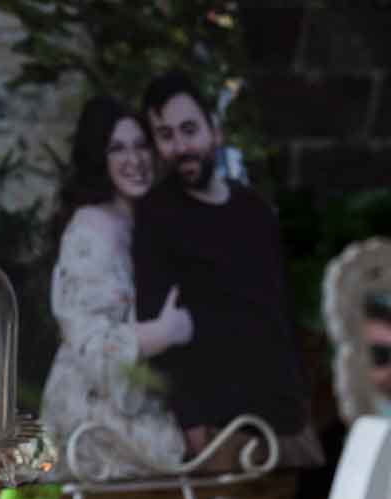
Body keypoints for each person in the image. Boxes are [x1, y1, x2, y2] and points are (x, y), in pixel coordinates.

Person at [131, 69, 311, 458]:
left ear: (215, 131)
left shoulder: (256, 210)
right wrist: (193, 423)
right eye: (166, 135)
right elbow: (159, 318)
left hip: (288, 413)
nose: (180, 146)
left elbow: (283, 309)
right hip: (221, 424)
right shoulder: (155, 215)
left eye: (189, 129)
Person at [40, 96, 191, 477]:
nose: (135, 160)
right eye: (117, 148)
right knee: (190, 443)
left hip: (140, 387)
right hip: (93, 405)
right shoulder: (92, 229)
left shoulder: (146, 219)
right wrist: (163, 333)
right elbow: (91, 344)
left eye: (141, 146)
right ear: (99, 158)